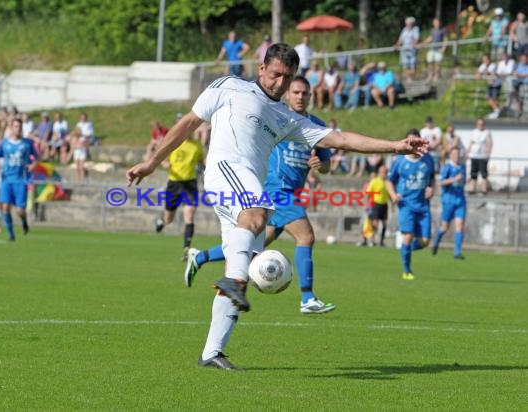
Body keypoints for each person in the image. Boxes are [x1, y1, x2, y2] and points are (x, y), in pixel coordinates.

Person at [126, 43, 428, 370]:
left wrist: (396, 146)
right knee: (259, 214)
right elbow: (188, 123)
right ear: (261, 69)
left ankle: (212, 351)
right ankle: (235, 282)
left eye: (287, 77)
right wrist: (152, 161)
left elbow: (341, 139)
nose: (280, 84)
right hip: (225, 171)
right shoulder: (230, 86)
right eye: (275, 75)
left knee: (244, 255)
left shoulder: (287, 118)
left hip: (244, 187)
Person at [183, 75, 336, 315]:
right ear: (287, 93)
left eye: (305, 93)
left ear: (310, 96)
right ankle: (307, 298)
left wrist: (320, 164)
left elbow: (326, 165)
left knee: (251, 246)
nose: (300, 97)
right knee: (306, 237)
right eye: (295, 92)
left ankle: (199, 257)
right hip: (276, 189)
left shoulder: (315, 125)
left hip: (292, 191)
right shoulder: (276, 116)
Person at [386, 129, 435, 281]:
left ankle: (405, 250)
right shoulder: (399, 161)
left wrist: (431, 188)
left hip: (423, 206)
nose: (411, 144)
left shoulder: (428, 159)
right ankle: (407, 271)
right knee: (408, 236)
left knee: (425, 242)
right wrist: (393, 195)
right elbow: (389, 181)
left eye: (415, 141)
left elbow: (432, 178)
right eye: (409, 141)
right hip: (406, 205)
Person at [155, 126, 205, 260]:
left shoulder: (196, 146)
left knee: (189, 214)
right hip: (174, 184)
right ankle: (162, 221)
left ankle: (186, 248)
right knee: (169, 219)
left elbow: (202, 162)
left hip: (190, 184)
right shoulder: (173, 142)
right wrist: (165, 163)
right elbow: (161, 156)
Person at [0, 118, 38, 241]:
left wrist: (33, 166)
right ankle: (11, 235)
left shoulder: (27, 143)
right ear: (11, 128)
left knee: (19, 211)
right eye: (15, 126)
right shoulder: (5, 143)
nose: (17, 129)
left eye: (19, 126)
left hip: (20, 180)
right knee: (5, 207)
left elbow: (37, 158)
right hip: (7, 180)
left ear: (21, 128)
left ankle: (24, 221)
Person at [432, 147, 467, 259]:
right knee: (445, 226)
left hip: (460, 201)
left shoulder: (463, 167)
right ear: (450, 155)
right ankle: (436, 241)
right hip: (448, 200)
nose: (456, 156)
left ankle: (457, 252)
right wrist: (453, 180)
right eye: (454, 154)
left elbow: (463, 182)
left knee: (460, 225)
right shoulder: (447, 168)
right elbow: (440, 183)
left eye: (458, 154)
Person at [467, 118, 492, 196]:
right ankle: (472, 189)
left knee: (483, 173)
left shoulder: (487, 133)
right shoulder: (474, 132)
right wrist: (468, 152)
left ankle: (484, 190)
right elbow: (471, 142)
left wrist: (488, 154)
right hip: (474, 155)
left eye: (482, 124)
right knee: (473, 173)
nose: (480, 126)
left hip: (483, 156)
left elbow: (489, 143)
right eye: (479, 124)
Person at [366, 165, 390, 247]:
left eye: (386, 172)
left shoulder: (387, 182)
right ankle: (371, 239)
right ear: (380, 172)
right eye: (384, 172)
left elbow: (389, 193)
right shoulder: (375, 181)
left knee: (384, 224)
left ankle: (382, 241)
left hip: (384, 204)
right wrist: (368, 204)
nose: (385, 174)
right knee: (375, 223)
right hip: (375, 203)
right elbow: (369, 193)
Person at [421, 18, 447, 83]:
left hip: (439, 49)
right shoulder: (432, 30)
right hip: (432, 49)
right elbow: (430, 38)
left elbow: (445, 39)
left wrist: (443, 48)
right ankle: (430, 75)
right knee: (430, 63)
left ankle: (436, 76)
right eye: (435, 23)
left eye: (437, 22)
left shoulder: (443, 30)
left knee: (437, 63)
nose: (436, 24)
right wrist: (424, 43)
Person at [395, 17, 420, 82]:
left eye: (410, 23)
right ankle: (409, 78)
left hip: (412, 51)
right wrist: (397, 44)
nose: (409, 24)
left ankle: (411, 76)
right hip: (404, 51)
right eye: (407, 23)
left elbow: (416, 39)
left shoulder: (415, 29)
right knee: (406, 66)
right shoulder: (404, 29)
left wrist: (414, 43)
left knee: (413, 66)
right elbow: (401, 39)